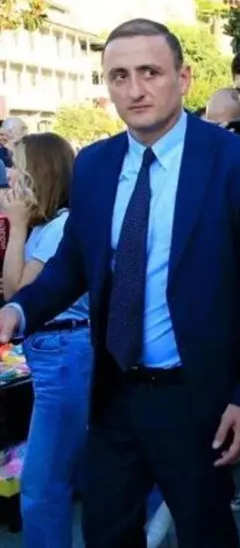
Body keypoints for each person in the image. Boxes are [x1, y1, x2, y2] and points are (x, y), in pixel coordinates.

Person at [0, 18, 240, 547]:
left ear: (183, 77)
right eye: (120, 76)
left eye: (150, 72)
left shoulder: (235, 161)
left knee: (205, 534)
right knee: (106, 533)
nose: (135, 89)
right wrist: (17, 311)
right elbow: (72, 263)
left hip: (198, 399)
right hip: (114, 394)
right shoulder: (95, 164)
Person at [1, 133, 91, 548]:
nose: (10, 175)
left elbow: (18, 293)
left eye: (17, 166)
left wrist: (17, 226)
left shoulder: (60, 227)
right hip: (53, 352)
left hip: (64, 353)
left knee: (41, 485)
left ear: (40, 173)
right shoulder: (47, 226)